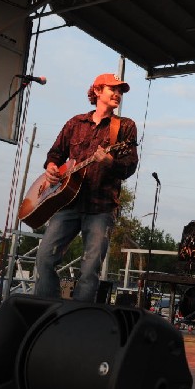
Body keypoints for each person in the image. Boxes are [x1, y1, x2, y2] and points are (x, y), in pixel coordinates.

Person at [34, 73, 138, 302]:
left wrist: (110, 161)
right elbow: (55, 154)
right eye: (113, 89)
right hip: (67, 202)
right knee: (44, 257)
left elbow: (130, 165)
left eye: (121, 91)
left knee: (90, 269)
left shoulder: (125, 127)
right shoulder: (75, 122)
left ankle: (78, 317)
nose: (118, 94)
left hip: (101, 207)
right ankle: (46, 311)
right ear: (98, 90)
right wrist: (52, 167)